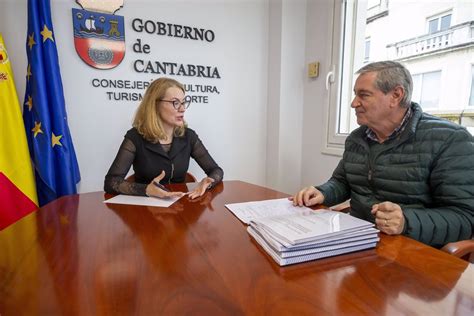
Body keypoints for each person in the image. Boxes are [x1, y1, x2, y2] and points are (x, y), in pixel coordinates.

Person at [292, 61, 473, 248]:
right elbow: (342, 182)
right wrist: (322, 192)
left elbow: (466, 217)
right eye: (355, 94)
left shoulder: (450, 140)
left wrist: (407, 221)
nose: (354, 103)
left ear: (396, 95)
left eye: (364, 95)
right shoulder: (357, 138)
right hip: (358, 241)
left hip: (413, 252)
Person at [104, 77, 223, 200]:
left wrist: (208, 182)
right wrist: (146, 190)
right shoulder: (135, 137)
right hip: (145, 209)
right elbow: (111, 182)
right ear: (155, 105)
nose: (182, 109)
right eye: (175, 103)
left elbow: (216, 170)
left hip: (180, 207)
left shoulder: (189, 136)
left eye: (183, 102)